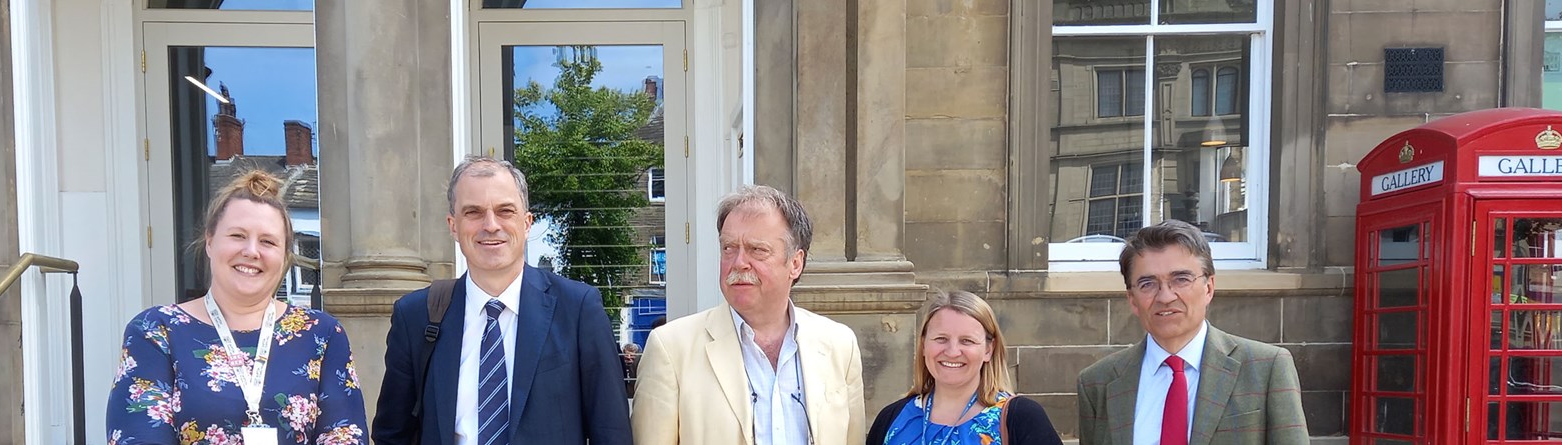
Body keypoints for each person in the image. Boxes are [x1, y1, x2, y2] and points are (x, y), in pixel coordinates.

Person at [371, 156, 632, 445]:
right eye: (473, 212)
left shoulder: (578, 309)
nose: (491, 225)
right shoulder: (416, 316)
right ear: (453, 226)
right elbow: (391, 434)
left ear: (527, 222)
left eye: (505, 211)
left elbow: (611, 432)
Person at [106, 170, 367, 444]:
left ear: (284, 255)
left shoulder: (321, 335)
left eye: (268, 241)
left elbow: (345, 434)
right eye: (238, 235)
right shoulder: (157, 331)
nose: (252, 251)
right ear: (210, 242)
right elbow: (138, 435)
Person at [631, 185, 867, 445]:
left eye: (757, 250)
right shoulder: (672, 349)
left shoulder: (839, 345)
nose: (739, 262)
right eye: (729, 248)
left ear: (796, 263)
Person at [1076, 220, 1308, 445]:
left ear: (1208, 288)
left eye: (1181, 279)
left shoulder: (1265, 368)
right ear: (1133, 300)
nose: (1165, 297)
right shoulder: (1098, 383)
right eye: (1148, 284)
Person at [865, 290, 1058, 445]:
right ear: (923, 345)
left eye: (967, 341)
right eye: (941, 339)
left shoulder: (1020, 419)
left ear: (988, 350)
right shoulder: (892, 418)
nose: (952, 351)